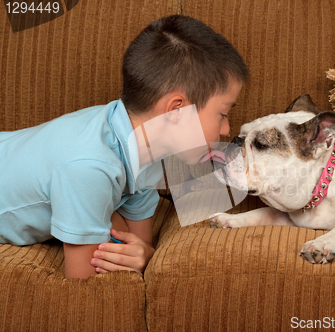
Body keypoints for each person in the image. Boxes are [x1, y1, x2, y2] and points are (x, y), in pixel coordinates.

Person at [0, 15, 249, 279]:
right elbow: (83, 282)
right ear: (177, 110)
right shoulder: (90, 168)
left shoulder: (144, 146)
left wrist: (147, 255)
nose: (226, 129)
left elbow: (137, 242)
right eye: (222, 114)